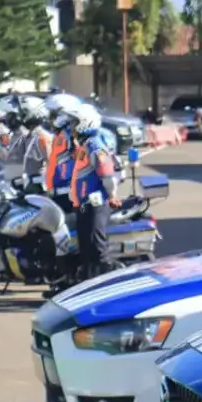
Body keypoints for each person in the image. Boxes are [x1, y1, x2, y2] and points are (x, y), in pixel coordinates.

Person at [68, 104, 121, 281]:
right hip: (84, 205)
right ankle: (88, 281)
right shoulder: (84, 145)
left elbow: (107, 176)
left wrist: (112, 196)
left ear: (85, 123)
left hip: (97, 204)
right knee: (85, 248)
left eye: (74, 123)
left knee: (97, 246)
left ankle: (109, 281)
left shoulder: (96, 147)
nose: (71, 127)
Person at [44, 93, 84, 212]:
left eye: (53, 115)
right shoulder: (60, 136)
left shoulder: (72, 136)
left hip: (69, 193)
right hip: (58, 191)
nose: (49, 119)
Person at [18, 97, 54, 193]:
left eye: (25, 112)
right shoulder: (29, 136)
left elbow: (51, 162)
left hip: (39, 186)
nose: (21, 116)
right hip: (29, 183)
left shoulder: (42, 137)